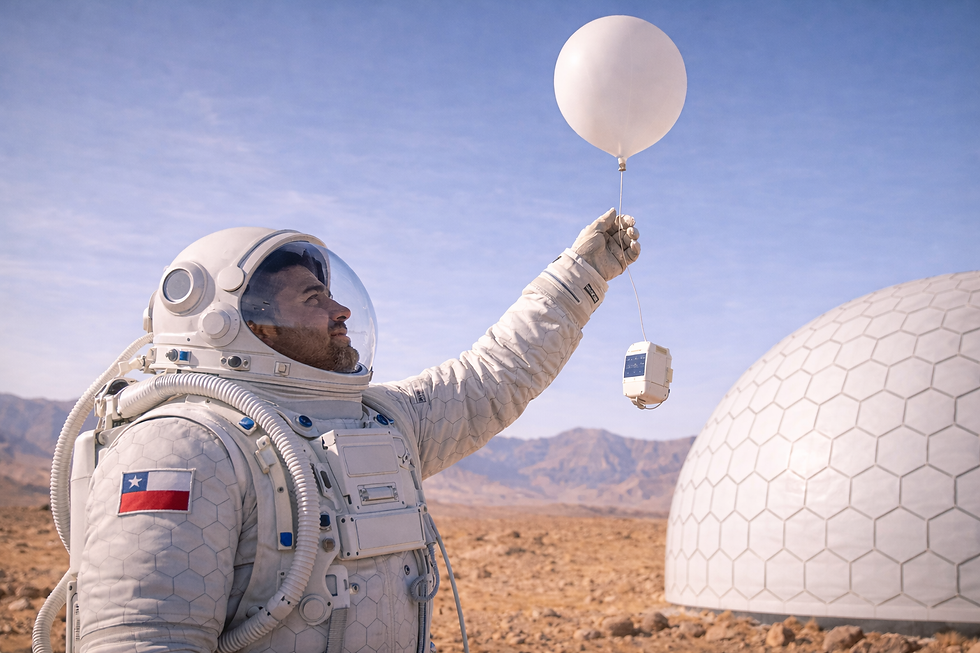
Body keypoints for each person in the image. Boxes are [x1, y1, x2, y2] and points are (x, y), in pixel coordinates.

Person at [67, 209, 640, 653]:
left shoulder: (382, 418)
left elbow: (494, 374)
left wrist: (581, 274)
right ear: (242, 325)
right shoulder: (184, 444)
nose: (341, 310)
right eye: (314, 298)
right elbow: (144, 632)